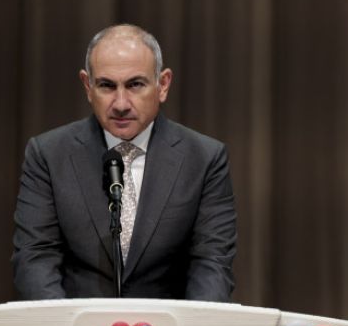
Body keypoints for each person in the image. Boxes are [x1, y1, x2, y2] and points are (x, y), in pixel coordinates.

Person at [12, 24, 236, 301]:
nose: (120, 103)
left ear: (163, 84)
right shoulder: (49, 154)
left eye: (135, 85)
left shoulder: (204, 158)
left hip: (168, 325)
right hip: (76, 324)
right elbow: (35, 256)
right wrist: (65, 325)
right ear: (88, 86)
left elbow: (212, 262)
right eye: (107, 86)